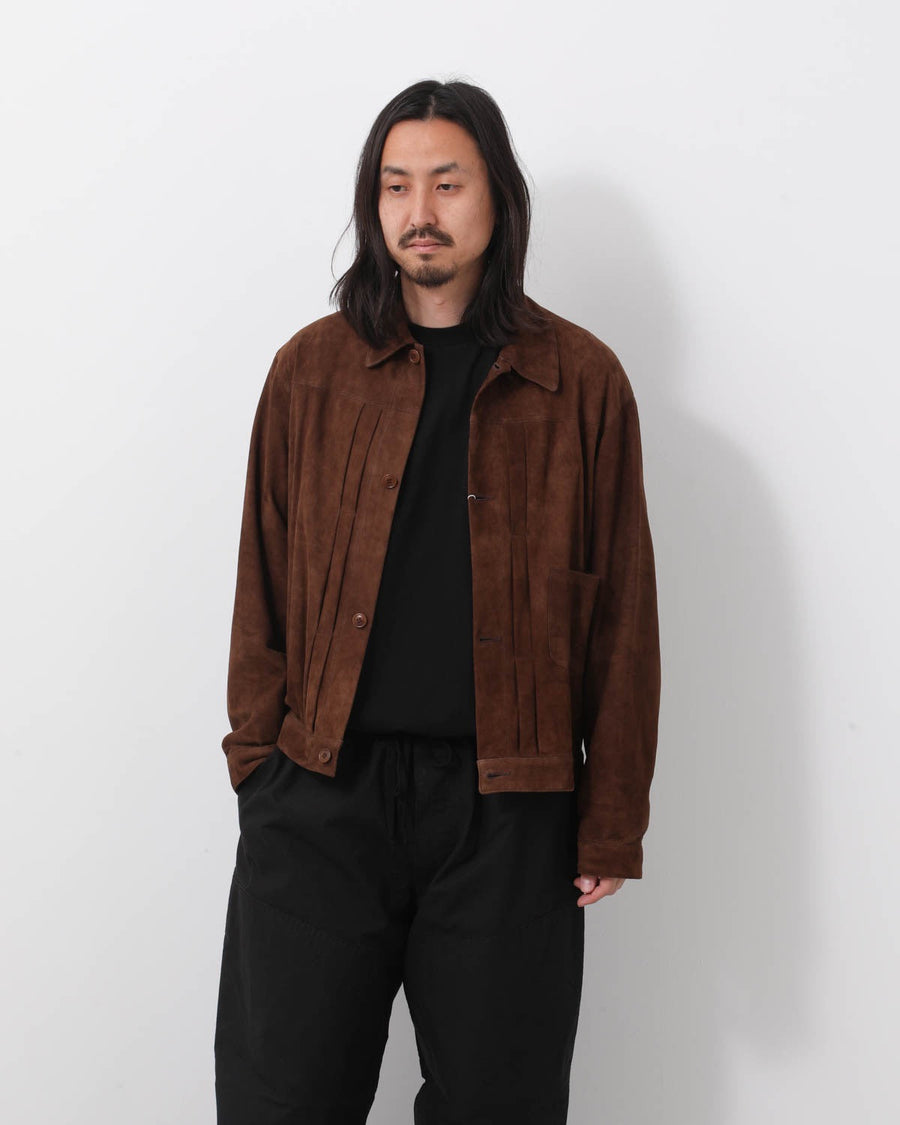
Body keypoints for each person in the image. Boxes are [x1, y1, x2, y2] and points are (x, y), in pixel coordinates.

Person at [214, 78, 661, 1125]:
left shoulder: (581, 382)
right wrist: (259, 768)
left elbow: (624, 618)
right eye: (396, 185)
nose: (420, 210)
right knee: (282, 1100)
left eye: (447, 183)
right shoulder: (310, 373)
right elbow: (260, 580)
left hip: (509, 813)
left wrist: (609, 822)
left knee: (499, 1104)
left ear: (498, 197)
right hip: (320, 800)